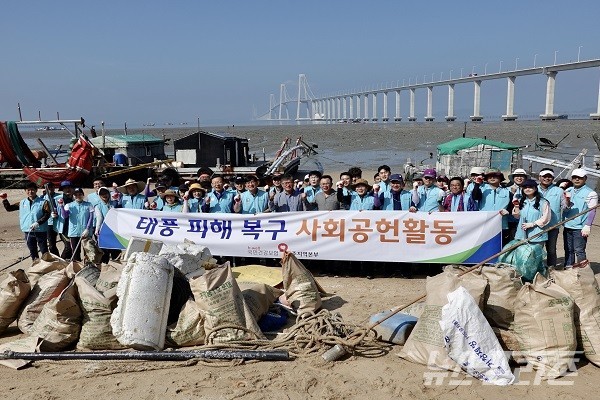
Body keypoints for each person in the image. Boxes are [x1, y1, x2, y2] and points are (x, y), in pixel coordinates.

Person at [2, 182, 51, 260]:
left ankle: (47, 265)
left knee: (44, 250)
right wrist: (4, 199)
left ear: (36, 190)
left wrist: (38, 223)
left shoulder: (43, 202)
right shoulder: (22, 203)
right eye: (28, 190)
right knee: (32, 250)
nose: (30, 192)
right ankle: (36, 265)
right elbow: (9, 208)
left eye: (32, 190)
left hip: (40, 230)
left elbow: (47, 215)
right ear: (25, 191)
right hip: (28, 230)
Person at [563, 168, 598, 268]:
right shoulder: (568, 190)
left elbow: (592, 210)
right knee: (568, 249)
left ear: (585, 178)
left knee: (579, 250)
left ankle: (583, 272)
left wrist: (588, 226)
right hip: (568, 224)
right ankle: (569, 269)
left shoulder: (591, 193)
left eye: (580, 178)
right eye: (574, 177)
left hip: (580, 227)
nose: (577, 180)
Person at [471, 168, 511, 244]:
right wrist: (477, 184)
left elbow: (512, 206)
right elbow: (475, 196)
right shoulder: (482, 189)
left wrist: (508, 211)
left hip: (502, 225)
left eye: (495, 176)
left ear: (500, 178)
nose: (492, 178)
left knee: (501, 247)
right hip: (485, 224)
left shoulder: (507, 191)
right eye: (490, 176)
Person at [537, 168, 565, 267]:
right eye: (544, 176)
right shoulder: (534, 189)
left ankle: (551, 269)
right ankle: (536, 269)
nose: (547, 178)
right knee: (536, 249)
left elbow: (565, 206)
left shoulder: (559, 191)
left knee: (551, 250)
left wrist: (569, 202)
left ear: (553, 178)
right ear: (539, 177)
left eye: (549, 176)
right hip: (536, 225)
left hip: (553, 225)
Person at [511, 179, 550, 247]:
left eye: (530, 187)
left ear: (535, 189)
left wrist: (532, 224)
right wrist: (516, 207)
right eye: (525, 187)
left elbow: (546, 218)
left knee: (535, 256)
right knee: (523, 256)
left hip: (537, 234)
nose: (527, 189)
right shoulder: (521, 201)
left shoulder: (543, 202)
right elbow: (517, 216)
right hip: (522, 234)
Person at [60, 187, 94, 262]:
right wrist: (61, 206)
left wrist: (87, 229)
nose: (78, 196)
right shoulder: (69, 205)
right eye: (76, 195)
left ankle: (87, 266)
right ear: (73, 196)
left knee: (87, 252)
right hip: (74, 232)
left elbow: (91, 217)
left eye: (80, 194)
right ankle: (77, 267)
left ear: (83, 195)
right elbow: (65, 215)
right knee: (75, 252)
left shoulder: (88, 205)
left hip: (86, 231)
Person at [94, 187, 120, 263]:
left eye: (105, 193)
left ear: (109, 193)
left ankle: (116, 268)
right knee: (104, 252)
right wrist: (97, 229)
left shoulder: (114, 203)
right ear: (99, 195)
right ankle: (106, 269)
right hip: (104, 231)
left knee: (115, 251)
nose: (104, 195)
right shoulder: (98, 206)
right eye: (101, 194)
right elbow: (99, 218)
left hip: (114, 231)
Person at [53, 180, 75, 259]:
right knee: (68, 246)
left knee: (74, 246)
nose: (67, 190)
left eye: (69, 187)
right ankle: (62, 261)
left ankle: (69, 261)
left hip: (74, 226)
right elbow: (53, 210)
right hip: (63, 226)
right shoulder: (56, 199)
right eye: (65, 188)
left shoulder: (76, 198)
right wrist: (53, 214)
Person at [507, 168, 529, 241]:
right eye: (517, 176)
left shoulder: (529, 190)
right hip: (510, 220)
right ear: (513, 178)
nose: (519, 178)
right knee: (511, 240)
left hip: (525, 220)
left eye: (521, 176)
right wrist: (512, 194)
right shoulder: (506, 189)